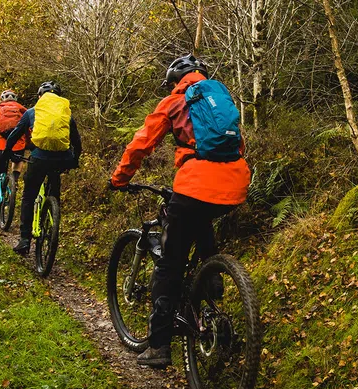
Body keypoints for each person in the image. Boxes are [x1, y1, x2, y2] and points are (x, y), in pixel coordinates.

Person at [107, 55, 251, 368]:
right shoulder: (219, 96)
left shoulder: (175, 101)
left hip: (195, 186)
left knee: (170, 264)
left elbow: (141, 143)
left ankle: (158, 346)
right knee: (201, 223)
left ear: (175, 81)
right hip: (235, 184)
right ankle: (211, 287)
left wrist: (119, 179)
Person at [1, 81, 82, 255]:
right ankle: (52, 226)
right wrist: (75, 160)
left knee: (29, 196)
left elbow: (15, 135)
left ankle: (24, 240)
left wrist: (9, 152)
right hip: (62, 159)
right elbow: (77, 142)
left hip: (39, 159)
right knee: (54, 193)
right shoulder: (66, 114)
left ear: (40, 97)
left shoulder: (31, 112)